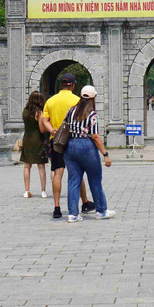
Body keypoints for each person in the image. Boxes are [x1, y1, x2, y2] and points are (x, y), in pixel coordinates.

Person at [40, 73, 95, 219]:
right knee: (77, 172)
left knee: (58, 173)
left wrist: (52, 129)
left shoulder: (51, 101)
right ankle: (84, 202)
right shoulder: (77, 101)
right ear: (73, 85)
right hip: (73, 140)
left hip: (56, 140)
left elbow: (44, 120)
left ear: (61, 85)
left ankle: (57, 207)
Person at [62, 86, 115, 222]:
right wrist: (105, 154)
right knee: (95, 179)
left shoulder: (71, 111)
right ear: (93, 98)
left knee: (73, 181)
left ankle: (73, 214)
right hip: (86, 146)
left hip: (71, 146)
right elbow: (95, 136)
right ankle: (101, 210)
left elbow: (65, 127)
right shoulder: (92, 114)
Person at [21, 91, 48, 199]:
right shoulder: (39, 112)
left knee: (27, 165)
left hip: (27, 138)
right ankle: (43, 191)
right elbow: (41, 129)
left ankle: (27, 190)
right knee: (41, 166)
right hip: (37, 139)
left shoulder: (25, 111)